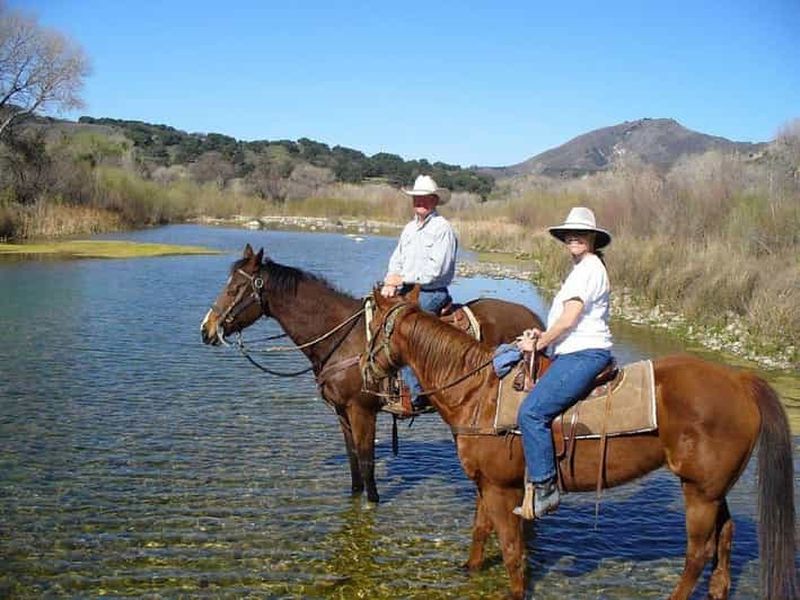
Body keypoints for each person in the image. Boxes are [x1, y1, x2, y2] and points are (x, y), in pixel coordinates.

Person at [514, 206, 613, 519]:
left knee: (531, 412)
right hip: (572, 349)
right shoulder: (582, 268)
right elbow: (568, 321)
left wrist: (538, 343)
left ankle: (546, 487)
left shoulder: (589, 269)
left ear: (593, 239)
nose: (574, 238)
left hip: (585, 353)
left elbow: (570, 320)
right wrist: (543, 335)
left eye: (580, 234)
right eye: (569, 234)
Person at [381, 174, 458, 413]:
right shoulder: (409, 229)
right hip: (407, 288)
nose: (420, 202)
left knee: (406, 328)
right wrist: (390, 281)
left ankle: (417, 394)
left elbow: (437, 270)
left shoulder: (442, 228)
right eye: (416, 198)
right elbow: (397, 259)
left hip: (432, 290)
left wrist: (402, 279)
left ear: (435, 201)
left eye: (425, 198)